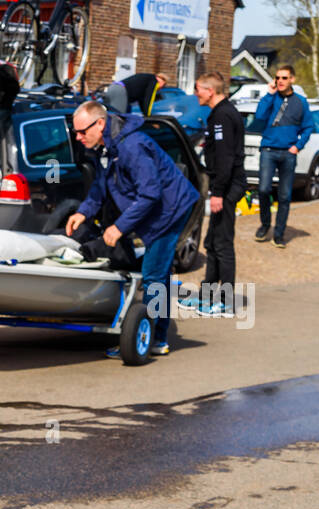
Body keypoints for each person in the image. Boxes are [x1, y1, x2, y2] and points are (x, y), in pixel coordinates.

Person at [66, 101, 199, 357]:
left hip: (171, 209)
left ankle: (152, 339)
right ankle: (156, 332)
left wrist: (119, 227)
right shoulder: (105, 147)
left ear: (101, 124)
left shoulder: (132, 146)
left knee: (153, 275)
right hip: (156, 207)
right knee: (159, 272)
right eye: (76, 133)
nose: (78, 137)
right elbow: (101, 187)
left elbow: (150, 194)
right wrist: (83, 211)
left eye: (82, 132)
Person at [194, 71, 246, 316]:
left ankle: (225, 302)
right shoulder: (220, 113)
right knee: (211, 242)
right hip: (224, 185)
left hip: (226, 187)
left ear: (210, 91)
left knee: (223, 243)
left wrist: (218, 192)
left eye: (198, 90)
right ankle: (206, 296)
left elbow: (225, 158)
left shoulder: (223, 116)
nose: (196, 94)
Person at [252, 65, 312, 248]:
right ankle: (264, 225)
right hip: (268, 150)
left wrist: (298, 146)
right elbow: (259, 117)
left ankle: (279, 234)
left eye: (284, 78)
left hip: (288, 153)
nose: (280, 81)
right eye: (277, 77)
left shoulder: (301, 102)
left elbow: (308, 127)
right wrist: (269, 94)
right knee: (263, 189)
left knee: (285, 196)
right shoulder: (271, 98)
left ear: (292, 79)